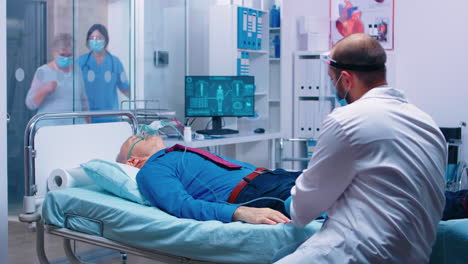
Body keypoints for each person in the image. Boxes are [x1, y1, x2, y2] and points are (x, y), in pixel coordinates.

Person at [276, 33, 447, 263]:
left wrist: (295, 198)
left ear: (346, 79)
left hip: (355, 255)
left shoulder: (346, 120)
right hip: (412, 257)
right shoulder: (427, 123)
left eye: (332, 80)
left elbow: (301, 213)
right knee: (282, 252)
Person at [116, 135, 299, 225]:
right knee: (314, 205)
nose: (143, 133)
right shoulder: (151, 170)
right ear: (133, 161)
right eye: (136, 138)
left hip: (274, 177)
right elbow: (182, 205)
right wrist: (240, 212)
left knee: (326, 180)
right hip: (260, 193)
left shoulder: (174, 154)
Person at [26, 33, 88, 126]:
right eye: (62, 55)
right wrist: (45, 90)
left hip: (75, 128)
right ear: (54, 52)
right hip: (49, 128)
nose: (66, 58)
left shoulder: (77, 71)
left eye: (69, 55)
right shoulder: (43, 71)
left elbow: (83, 101)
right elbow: (30, 104)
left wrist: (88, 124)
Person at [78, 24, 129, 123]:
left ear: (106, 40)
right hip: (87, 117)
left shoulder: (115, 62)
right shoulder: (81, 62)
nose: (95, 41)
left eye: (99, 38)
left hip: (110, 116)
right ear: (88, 41)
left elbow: (125, 88)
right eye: (92, 38)